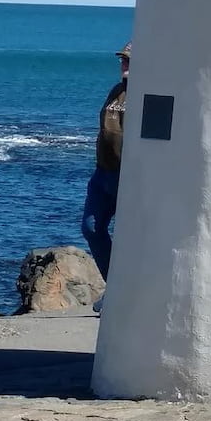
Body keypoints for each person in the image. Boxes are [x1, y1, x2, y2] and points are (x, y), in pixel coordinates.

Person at [81, 42, 130, 280]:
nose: (124, 64)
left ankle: (122, 288)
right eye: (122, 60)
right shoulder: (116, 91)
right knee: (91, 228)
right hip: (103, 172)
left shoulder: (144, 94)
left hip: (126, 176)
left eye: (129, 60)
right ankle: (113, 284)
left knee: (129, 235)